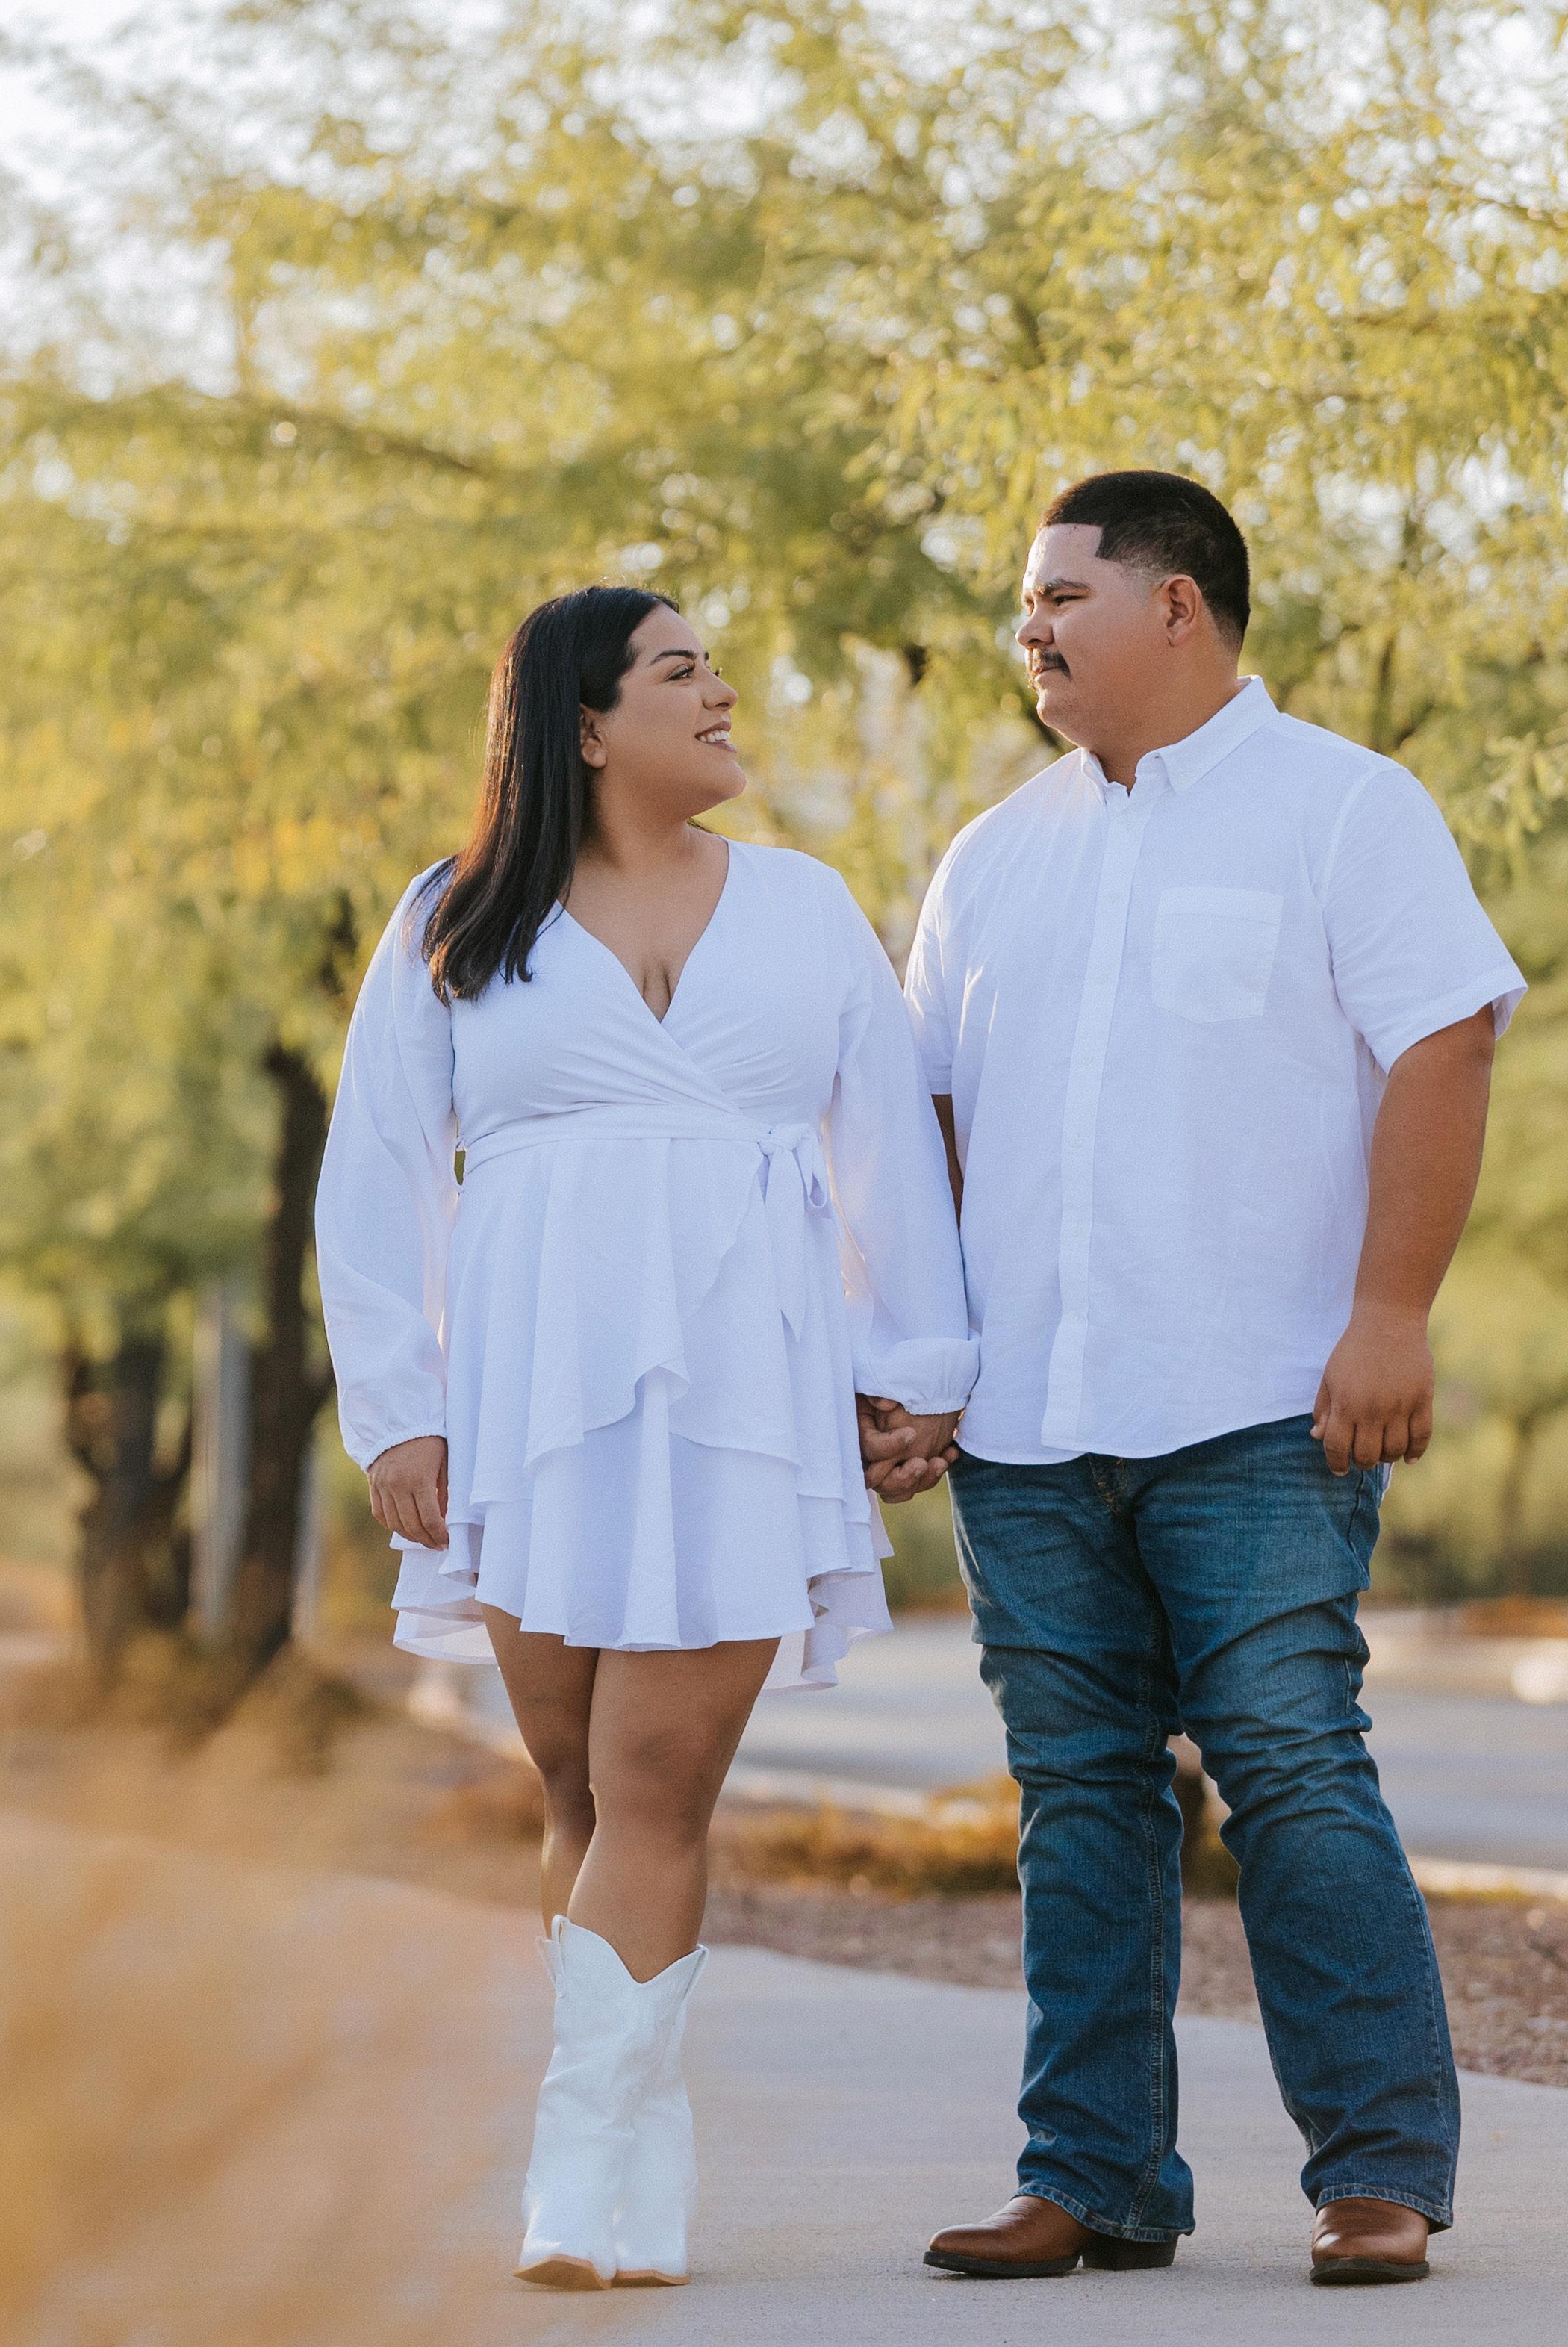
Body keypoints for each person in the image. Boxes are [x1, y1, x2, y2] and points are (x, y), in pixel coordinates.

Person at [897, 470, 1521, 2290]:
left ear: (1176, 605)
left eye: (1058, 596)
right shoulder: (988, 856)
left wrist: (1388, 1311)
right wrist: (921, 1363)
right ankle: (1089, 2175)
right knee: (1076, 1792)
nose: (1025, 629)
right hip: (1026, 1420)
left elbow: (1441, 1045)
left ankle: (1378, 2170)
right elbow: (924, 1127)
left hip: (1260, 1398)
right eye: (1023, 603)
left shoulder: (1343, 806)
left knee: (1288, 1766)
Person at [316, 583, 971, 2291]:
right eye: (681, 671)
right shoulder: (453, 916)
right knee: (574, 1786)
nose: (722, 691)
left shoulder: (806, 911)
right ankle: (639, 2158)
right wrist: (397, 1411)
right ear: (586, 725)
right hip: (526, 1402)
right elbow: (373, 1175)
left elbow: (886, 1156)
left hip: (744, 1398)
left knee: (654, 1783)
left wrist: (918, 1367)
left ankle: (572, 2155)